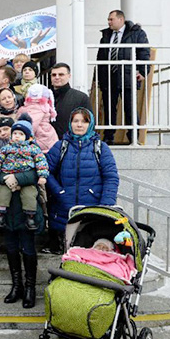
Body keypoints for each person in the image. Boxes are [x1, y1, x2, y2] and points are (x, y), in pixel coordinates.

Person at [45, 108, 120, 254]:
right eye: (76, 121)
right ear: (70, 123)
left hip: (92, 211)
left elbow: (111, 177)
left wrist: (105, 205)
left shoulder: (100, 148)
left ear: (90, 124)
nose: (79, 125)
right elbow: (45, 172)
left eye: (84, 121)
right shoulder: (60, 147)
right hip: (63, 210)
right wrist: (60, 192)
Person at [96, 10, 150, 145]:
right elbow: (101, 56)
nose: (108, 22)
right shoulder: (106, 35)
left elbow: (144, 53)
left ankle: (133, 137)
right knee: (109, 107)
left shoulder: (136, 33)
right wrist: (99, 76)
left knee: (130, 108)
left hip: (127, 75)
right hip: (109, 76)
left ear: (121, 19)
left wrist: (143, 72)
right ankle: (109, 137)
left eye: (111, 19)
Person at [0, 113, 48, 231]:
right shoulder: (6, 148)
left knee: (29, 195)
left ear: (28, 137)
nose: (17, 136)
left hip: (26, 179)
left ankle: (30, 216)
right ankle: (0, 215)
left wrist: (42, 176)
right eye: (15, 134)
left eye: (20, 134)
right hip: (7, 179)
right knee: (2, 193)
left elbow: (41, 162)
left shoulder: (33, 148)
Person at [50, 62, 93, 139]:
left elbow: (89, 123)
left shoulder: (81, 98)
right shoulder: (44, 97)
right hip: (48, 144)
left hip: (72, 143)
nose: (57, 77)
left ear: (69, 76)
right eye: (54, 75)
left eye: (61, 74)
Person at [16, 84, 59, 153]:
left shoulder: (35, 108)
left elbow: (33, 124)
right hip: (46, 136)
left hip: (40, 137)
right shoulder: (41, 106)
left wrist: (23, 135)